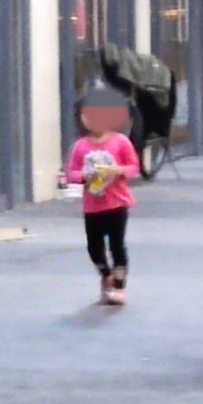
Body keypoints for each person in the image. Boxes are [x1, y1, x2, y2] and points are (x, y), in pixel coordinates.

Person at [67, 80, 141, 306]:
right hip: (93, 205)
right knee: (94, 247)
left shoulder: (120, 142)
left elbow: (134, 167)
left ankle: (119, 287)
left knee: (117, 244)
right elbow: (70, 174)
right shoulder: (80, 146)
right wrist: (84, 175)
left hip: (117, 203)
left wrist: (117, 170)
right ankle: (105, 274)